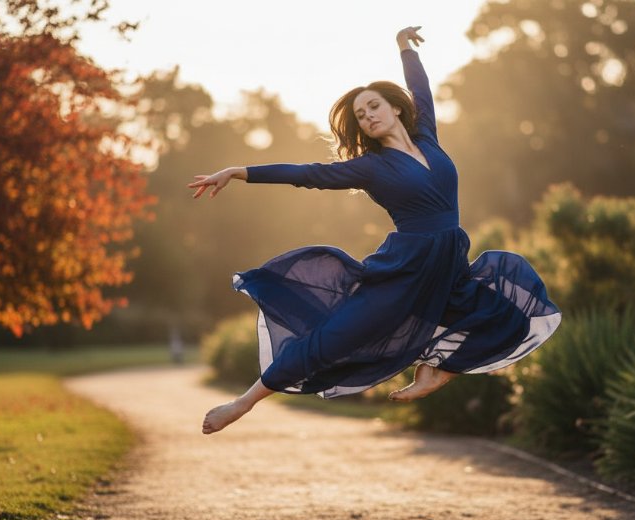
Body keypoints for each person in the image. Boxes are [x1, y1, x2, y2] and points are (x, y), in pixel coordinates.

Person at [189, 26, 562, 434]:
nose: (367, 117)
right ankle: (243, 403)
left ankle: (437, 372)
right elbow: (306, 174)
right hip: (404, 271)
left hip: (448, 264)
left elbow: (420, 89)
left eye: (373, 107)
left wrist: (404, 48)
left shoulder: (427, 137)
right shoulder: (371, 167)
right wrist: (238, 172)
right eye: (360, 116)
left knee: (507, 315)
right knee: (332, 340)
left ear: (395, 108)